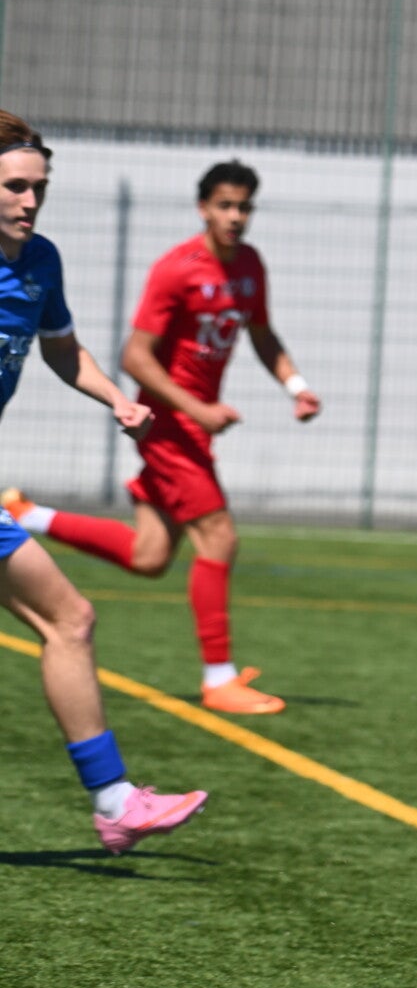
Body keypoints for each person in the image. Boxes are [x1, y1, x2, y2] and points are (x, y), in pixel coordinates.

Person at [5, 159, 321, 715]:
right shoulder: (178, 269)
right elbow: (135, 356)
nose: (236, 217)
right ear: (203, 208)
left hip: (195, 428)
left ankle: (29, 515)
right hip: (170, 426)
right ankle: (219, 679)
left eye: (244, 207)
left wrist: (296, 386)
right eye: (225, 205)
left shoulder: (249, 265)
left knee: (150, 555)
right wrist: (197, 408)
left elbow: (262, 332)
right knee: (219, 537)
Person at [0, 110, 208, 853]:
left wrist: (116, 398)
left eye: (39, 188)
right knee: (69, 619)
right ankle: (115, 801)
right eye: (15, 187)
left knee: (71, 621)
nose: (30, 201)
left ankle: (117, 801)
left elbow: (60, 350)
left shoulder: (40, 262)